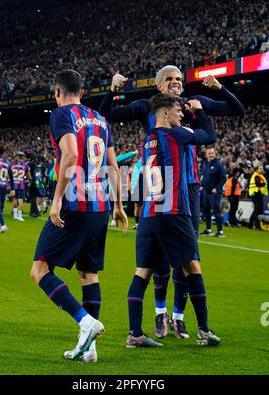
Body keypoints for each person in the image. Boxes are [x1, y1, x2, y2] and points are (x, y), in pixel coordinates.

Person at [99, 66, 245, 340]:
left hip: (188, 187)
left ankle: (178, 317)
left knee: (187, 259)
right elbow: (107, 115)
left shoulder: (190, 105)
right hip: (164, 190)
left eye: (179, 79)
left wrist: (220, 88)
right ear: (158, 86)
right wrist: (112, 90)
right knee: (162, 260)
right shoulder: (148, 108)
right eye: (170, 79)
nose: (177, 83)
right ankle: (160, 313)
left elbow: (238, 110)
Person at [30, 70, 128, 363]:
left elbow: (70, 156)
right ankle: (90, 349)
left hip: (75, 203)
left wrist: (56, 200)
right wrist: (120, 205)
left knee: (39, 271)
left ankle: (85, 322)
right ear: (82, 92)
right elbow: (112, 164)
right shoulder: (100, 119)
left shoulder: (62, 114)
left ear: (57, 93)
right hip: (101, 207)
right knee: (88, 274)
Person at [126, 93, 220, 347]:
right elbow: (209, 137)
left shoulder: (146, 141)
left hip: (149, 216)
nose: (182, 114)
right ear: (164, 113)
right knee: (192, 267)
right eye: (178, 110)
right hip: (173, 213)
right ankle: (204, 330)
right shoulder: (176, 135)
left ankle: (134, 334)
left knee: (143, 272)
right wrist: (199, 111)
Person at [200, 148, 227, 237]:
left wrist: (217, 187)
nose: (211, 155)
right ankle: (208, 229)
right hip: (206, 191)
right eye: (209, 153)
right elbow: (204, 176)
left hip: (214, 192)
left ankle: (220, 231)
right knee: (206, 210)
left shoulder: (218, 164)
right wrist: (201, 185)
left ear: (215, 154)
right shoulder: (205, 164)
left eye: (212, 153)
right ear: (206, 155)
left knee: (216, 211)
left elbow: (223, 178)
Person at [11, 151, 30, 221]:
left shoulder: (12, 164)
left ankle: (15, 215)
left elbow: (9, 174)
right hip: (21, 185)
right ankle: (19, 216)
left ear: (17, 156)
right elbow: (28, 175)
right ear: (23, 157)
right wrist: (29, 180)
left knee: (15, 199)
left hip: (14, 185)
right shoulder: (25, 165)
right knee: (21, 201)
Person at [248, 165, 268, 229]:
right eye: (260, 168)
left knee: (257, 210)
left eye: (262, 168)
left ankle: (251, 224)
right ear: (257, 170)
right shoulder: (256, 176)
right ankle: (256, 225)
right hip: (255, 194)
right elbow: (258, 184)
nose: (261, 169)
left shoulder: (261, 176)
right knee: (257, 210)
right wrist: (264, 184)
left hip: (259, 194)